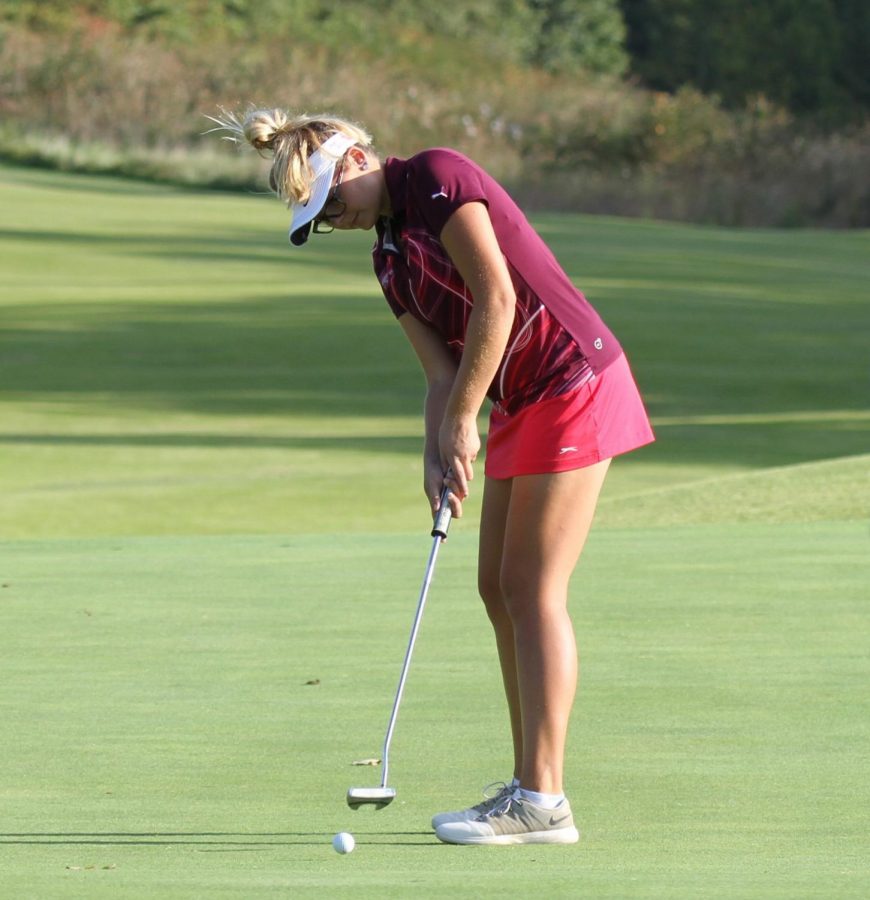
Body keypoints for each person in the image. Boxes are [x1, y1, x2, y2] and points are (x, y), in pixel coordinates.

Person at [212, 108, 655, 845]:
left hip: (572, 377)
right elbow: (440, 372)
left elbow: (498, 300)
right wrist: (435, 447)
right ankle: (526, 786)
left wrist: (462, 421)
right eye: (318, 219)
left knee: (533, 589)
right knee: (496, 588)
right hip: (521, 397)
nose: (334, 221)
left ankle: (544, 801)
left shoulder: (437, 177)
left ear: (355, 161)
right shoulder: (386, 257)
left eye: (331, 203)